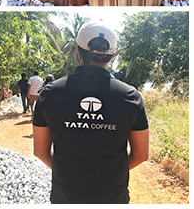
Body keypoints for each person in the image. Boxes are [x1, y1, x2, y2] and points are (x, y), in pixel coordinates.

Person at [33, 22, 149, 204]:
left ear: (77, 51)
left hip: (65, 198)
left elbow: (40, 151)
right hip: (112, 198)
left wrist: (69, 173)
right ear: (112, 56)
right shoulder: (131, 97)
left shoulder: (49, 94)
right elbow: (141, 154)